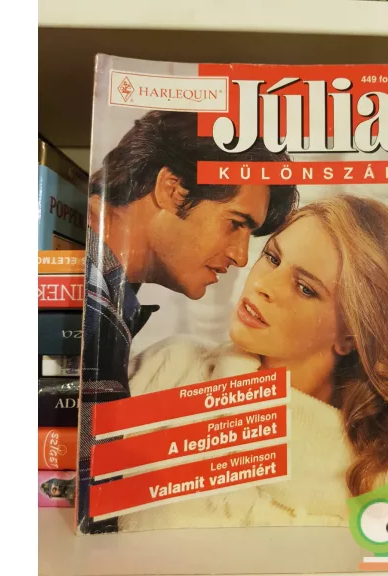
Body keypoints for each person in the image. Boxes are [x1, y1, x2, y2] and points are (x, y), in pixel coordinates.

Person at [122, 194, 388, 530]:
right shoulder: (169, 367)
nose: (263, 285)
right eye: (272, 258)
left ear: (351, 336)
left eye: (305, 288)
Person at [79, 110, 298, 534]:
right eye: (235, 223)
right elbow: (95, 510)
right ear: (171, 189)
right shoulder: (93, 299)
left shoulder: (109, 293)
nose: (240, 257)